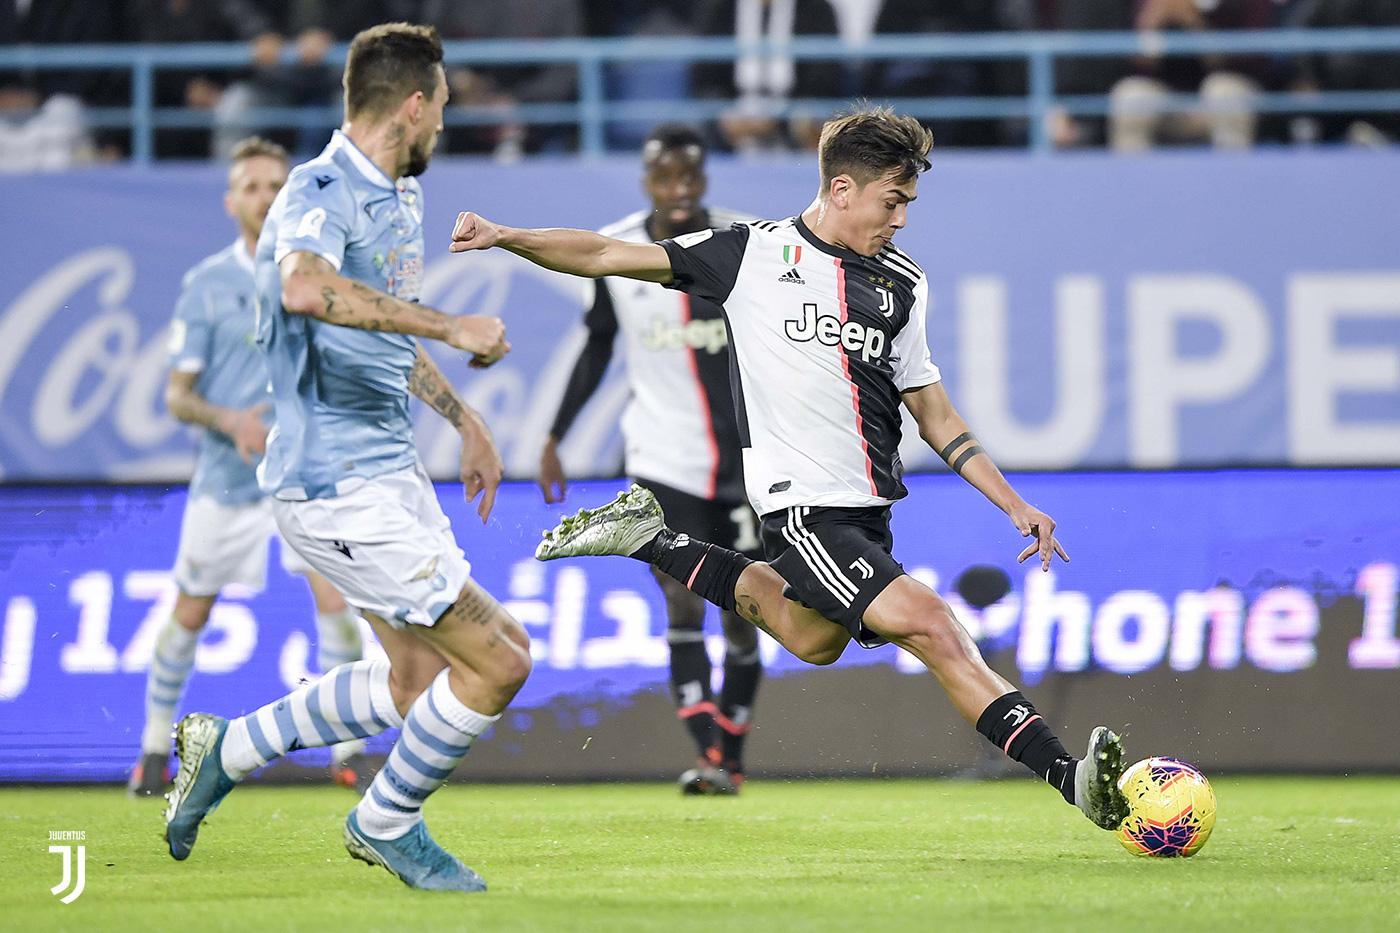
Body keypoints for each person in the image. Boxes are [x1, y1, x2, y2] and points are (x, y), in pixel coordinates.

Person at [449, 104, 1131, 833]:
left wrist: (1012, 501)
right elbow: (607, 256)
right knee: (933, 625)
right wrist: (508, 236)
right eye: (892, 201)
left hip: (869, 512)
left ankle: (652, 538)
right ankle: (1071, 777)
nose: (901, 219)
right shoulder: (752, 255)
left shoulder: (903, 285)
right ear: (842, 189)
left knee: (814, 639)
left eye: (907, 204)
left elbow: (937, 416)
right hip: (802, 509)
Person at [162, 23, 527, 894]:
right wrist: (452, 324)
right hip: (331, 484)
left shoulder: (400, 195)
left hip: (388, 469)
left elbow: (377, 327)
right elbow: (306, 286)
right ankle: (385, 820)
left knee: (415, 681)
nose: (443, 121)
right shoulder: (316, 189)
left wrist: (462, 414)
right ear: (412, 104)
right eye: (440, 105)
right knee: (502, 658)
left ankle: (230, 744)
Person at [131, 136, 369, 798]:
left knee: (336, 602)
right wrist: (232, 420)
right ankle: (153, 748)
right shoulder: (205, 285)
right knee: (190, 610)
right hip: (229, 481)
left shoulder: (317, 272)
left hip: (304, 473)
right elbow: (177, 394)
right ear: (231, 199)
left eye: (274, 185)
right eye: (252, 187)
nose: (264, 197)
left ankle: (347, 751)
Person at [539, 124, 761, 794]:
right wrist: (555, 436)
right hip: (663, 457)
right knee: (682, 599)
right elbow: (597, 346)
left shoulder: (749, 244)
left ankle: (731, 753)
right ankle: (710, 756)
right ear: (648, 182)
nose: (681, 191)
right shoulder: (616, 251)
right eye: (667, 178)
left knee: (748, 605)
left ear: (705, 178)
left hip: (751, 463)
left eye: (691, 177)